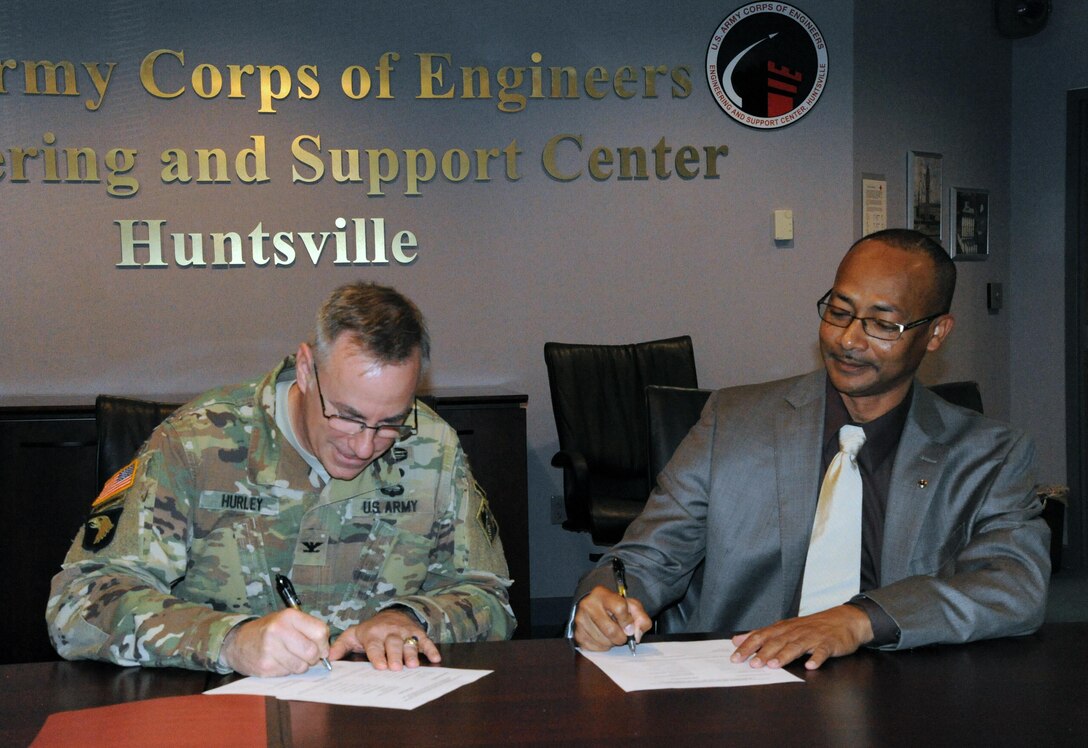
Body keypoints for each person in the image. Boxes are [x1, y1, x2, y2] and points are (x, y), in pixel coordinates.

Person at [572, 228, 1050, 670]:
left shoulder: (990, 455)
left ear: (936, 333)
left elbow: (1012, 585)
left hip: (899, 688)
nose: (847, 340)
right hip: (739, 680)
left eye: (882, 324)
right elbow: (647, 557)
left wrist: (859, 619)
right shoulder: (732, 422)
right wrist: (604, 600)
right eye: (839, 312)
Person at [48, 282, 515, 676]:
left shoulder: (434, 446)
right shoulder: (194, 443)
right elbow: (78, 602)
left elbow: (489, 597)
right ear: (307, 369)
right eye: (346, 417)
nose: (365, 444)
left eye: (390, 422)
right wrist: (228, 640)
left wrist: (410, 617)